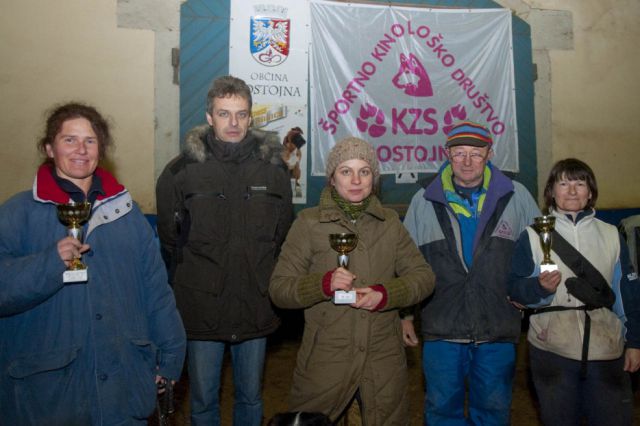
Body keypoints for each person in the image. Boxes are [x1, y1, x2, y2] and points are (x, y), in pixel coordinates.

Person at [0, 102, 186, 424]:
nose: (81, 150)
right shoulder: (18, 214)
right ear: (49, 148)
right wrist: (49, 263)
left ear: (101, 148)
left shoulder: (126, 214)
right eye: (69, 140)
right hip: (48, 394)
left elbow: (156, 291)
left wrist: (170, 357)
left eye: (90, 140)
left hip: (122, 384)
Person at [156, 75, 293, 426]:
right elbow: (171, 240)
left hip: (255, 300)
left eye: (241, 114)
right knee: (202, 400)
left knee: (250, 397)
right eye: (224, 114)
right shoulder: (180, 172)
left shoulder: (275, 171)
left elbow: (281, 233)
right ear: (209, 117)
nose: (233, 123)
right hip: (202, 305)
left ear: (251, 118)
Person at [269, 137, 435, 425]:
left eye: (365, 171)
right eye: (346, 171)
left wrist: (385, 295)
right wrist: (322, 284)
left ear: (374, 178)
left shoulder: (390, 224)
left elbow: (424, 277)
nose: (356, 180)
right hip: (325, 360)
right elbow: (280, 289)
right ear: (332, 179)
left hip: (383, 362)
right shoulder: (309, 224)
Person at [402, 121, 540, 425]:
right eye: (459, 153)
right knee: (441, 409)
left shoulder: (517, 196)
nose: (467, 161)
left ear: (489, 153)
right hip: (442, 325)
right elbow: (406, 263)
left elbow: (542, 253)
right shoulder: (423, 200)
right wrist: (406, 315)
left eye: (475, 154)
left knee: (493, 408)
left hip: (497, 324)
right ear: (447, 154)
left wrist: (529, 295)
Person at [508, 158, 640, 425]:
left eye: (580, 183)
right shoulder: (533, 235)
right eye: (563, 183)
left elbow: (627, 292)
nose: (571, 191)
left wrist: (635, 341)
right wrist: (538, 288)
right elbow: (514, 288)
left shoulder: (612, 234)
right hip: (551, 347)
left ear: (590, 192)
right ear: (551, 191)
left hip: (607, 347)